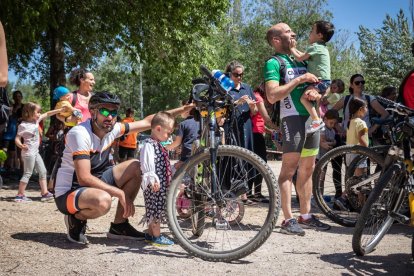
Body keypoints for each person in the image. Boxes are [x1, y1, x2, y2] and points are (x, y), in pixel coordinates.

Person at [53, 91, 193, 245]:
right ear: (93, 112)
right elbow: (84, 178)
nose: (110, 117)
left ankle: (119, 226)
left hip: (97, 180)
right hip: (69, 191)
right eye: (105, 111)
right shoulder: (80, 133)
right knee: (103, 201)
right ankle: (75, 219)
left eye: (114, 112)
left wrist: (184, 108)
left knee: (136, 166)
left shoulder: (112, 128)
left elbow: (149, 121)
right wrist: (120, 193)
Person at [264, 22, 331, 236]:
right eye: (287, 32)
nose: (293, 33)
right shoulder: (273, 63)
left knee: (308, 169)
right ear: (276, 40)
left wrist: (319, 93)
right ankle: (288, 219)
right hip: (291, 117)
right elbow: (272, 95)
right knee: (289, 170)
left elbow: (323, 80)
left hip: (312, 119)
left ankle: (306, 215)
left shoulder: (302, 56)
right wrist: (301, 79)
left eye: (293, 30)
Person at [14, 102, 69, 202]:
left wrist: (59, 110)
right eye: (37, 112)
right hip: (28, 153)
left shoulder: (36, 121)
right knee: (27, 173)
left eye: (40, 112)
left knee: (43, 171)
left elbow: (48, 114)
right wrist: (21, 145)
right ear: (29, 112)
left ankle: (45, 193)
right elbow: (17, 138)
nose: (39, 114)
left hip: (35, 152)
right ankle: (20, 195)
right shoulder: (23, 125)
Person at [289, 21, 335, 134]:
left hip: (319, 81)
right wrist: (294, 51)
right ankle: (318, 117)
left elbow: (300, 58)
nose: (309, 33)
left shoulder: (315, 46)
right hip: (324, 82)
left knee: (303, 98)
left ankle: (316, 120)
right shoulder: (321, 48)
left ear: (319, 35)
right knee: (311, 100)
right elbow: (304, 56)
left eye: (312, 31)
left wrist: (291, 48)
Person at [224, 60, 258, 205]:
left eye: (241, 74)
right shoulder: (226, 88)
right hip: (232, 127)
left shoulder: (247, 88)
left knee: (247, 158)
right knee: (233, 160)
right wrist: (238, 103)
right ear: (230, 74)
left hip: (246, 126)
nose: (239, 77)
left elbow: (255, 111)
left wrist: (251, 106)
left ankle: (244, 193)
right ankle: (233, 192)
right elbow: (223, 109)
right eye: (237, 74)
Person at [140, 112, 175, 246]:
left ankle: (150, 234)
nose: (169, 136)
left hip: (159, 184)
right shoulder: (149, 144)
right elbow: (147, 164)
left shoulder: (157, 144)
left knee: (155, 208)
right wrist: (153, 179)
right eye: (168, 133)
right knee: (155, 209)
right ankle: (156, 236)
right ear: (159, 129)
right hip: (154, 184)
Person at [332, 74, 389, 143]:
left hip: (365, 137)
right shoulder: (345, 99)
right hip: (347, 138)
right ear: (352, 85)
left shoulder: (369, 98)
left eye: (362, 82)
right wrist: (340, 129)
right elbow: (331, 113)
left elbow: (385, 114)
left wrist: (372, 129)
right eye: (357, 83)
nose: (360, 84)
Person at [334, 98, 369, 211]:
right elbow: (362, 140)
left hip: (349, 155)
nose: (367, 110)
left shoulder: (350, 122)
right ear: (360, 109)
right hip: (359, 154)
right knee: (361, 182)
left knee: (355, 181)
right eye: (366, 107)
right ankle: (359, 206)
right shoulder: (361, 123)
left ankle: (357, 205)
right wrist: (370, 151)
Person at [250, 84, 278, 202]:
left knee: (254, 163)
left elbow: (259, 121)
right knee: (261, 163)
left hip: (256, 133)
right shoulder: (259, 98)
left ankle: (251, 192)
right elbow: (266, 118)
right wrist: (278, 128)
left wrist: (269, 130)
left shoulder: (255, 96)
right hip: (255, 135)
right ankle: (256, 193)